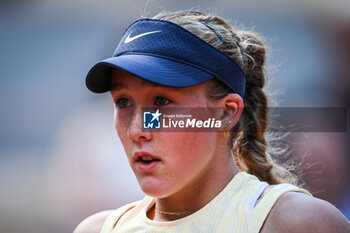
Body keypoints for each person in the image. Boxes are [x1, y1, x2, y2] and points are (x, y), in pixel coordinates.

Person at [74, 10, 350, 233]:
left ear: (226, 112)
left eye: (161, 101)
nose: (137, 129)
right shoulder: (100, 229)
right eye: (123, 102)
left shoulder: (300, 223)